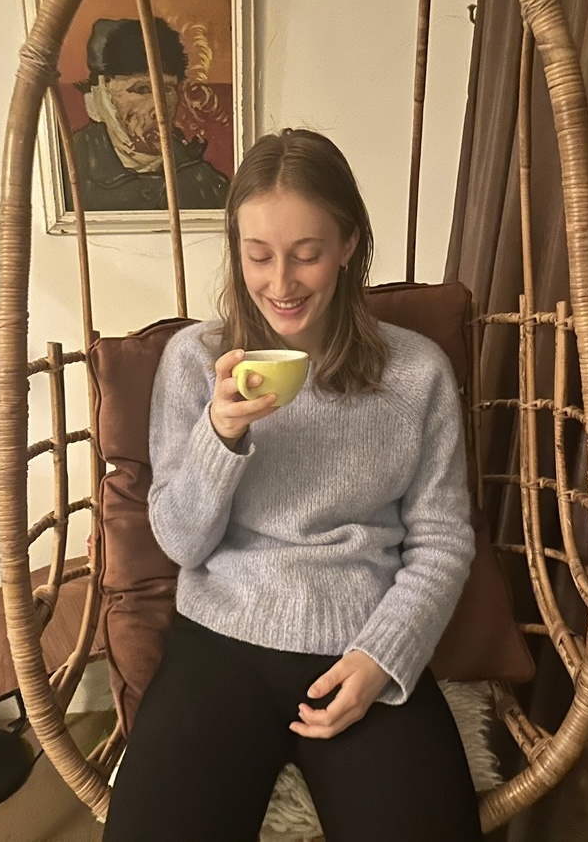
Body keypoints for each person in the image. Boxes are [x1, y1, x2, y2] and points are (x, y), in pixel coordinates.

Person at [104, 128, 483, 841]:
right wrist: (219, 434)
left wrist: (384, 657)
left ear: (347, 244)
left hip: (360, 639)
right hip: (217, 641)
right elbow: (181, 542)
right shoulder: (196, 361)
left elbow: (441, 540)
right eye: (258, 255)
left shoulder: (417, 373)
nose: (281, 283)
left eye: (306, 254)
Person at [63, 18, 230, 212]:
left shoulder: (204, 181)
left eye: (167, 89)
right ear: (99, 99)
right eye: (141, 89)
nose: (159, 108)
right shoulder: (69, 170)